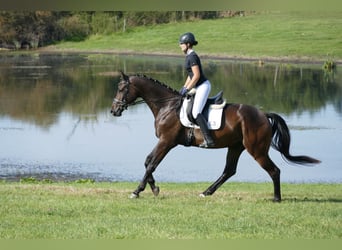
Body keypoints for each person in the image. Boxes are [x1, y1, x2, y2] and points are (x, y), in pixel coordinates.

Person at [178, 32, 214, 148]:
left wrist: (187, 88)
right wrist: (184, 87)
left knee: (195, 112)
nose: (180, 45)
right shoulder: (189, 56)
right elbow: (190, 75)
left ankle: (209, 139)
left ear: (188, 44)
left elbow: (197, 75)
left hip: (203, 86)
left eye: (182, 43)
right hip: (197, 86)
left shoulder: (192, 56)